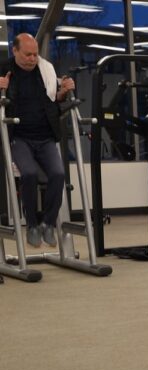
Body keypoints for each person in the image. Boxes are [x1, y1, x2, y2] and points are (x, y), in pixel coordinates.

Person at [0, 33, 75, 248]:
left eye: (35, 54)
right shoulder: (4, 69)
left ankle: (48, 225)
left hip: (45, 137)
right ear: (14, 51)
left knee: (58, 174)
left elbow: (51, 101)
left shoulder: (45, 71)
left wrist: (62, 92)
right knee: (30, 174)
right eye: (27, 54)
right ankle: (32, 224)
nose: (32, 59)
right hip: (19, 137)